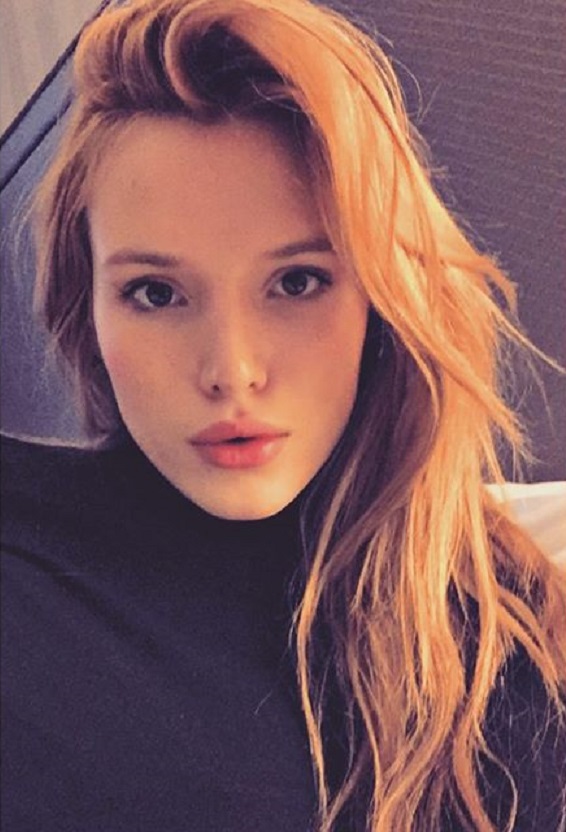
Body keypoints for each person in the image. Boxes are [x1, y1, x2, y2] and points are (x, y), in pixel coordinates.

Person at [1, 0, 565, 830]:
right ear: (88, 310)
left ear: (382, 299)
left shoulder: (509, 625)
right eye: (155, 293)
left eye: (297, 282)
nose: (232, 371)